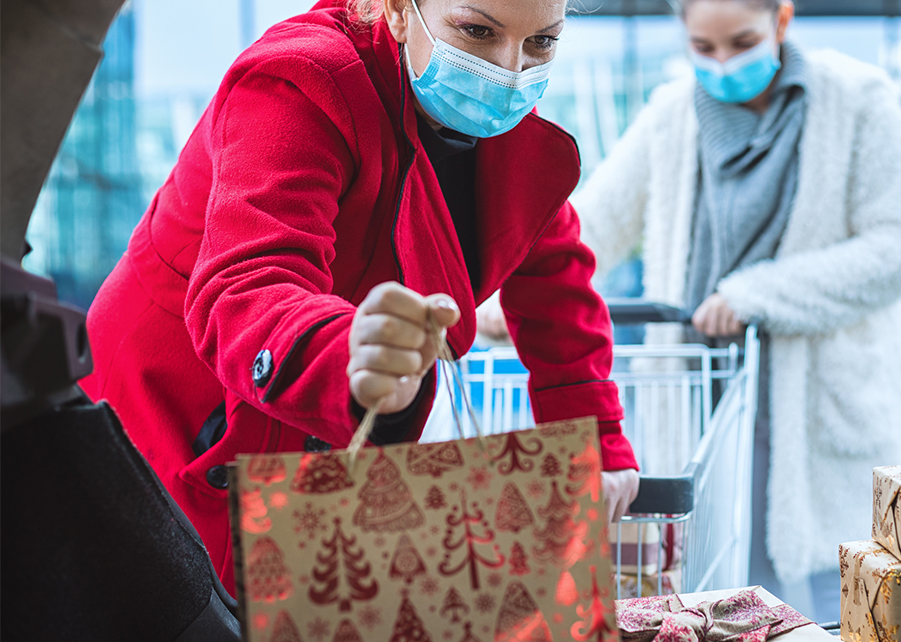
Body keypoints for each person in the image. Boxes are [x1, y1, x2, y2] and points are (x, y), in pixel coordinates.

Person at [79, 0, 640, 595]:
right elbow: (249, 285)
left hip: (323, 454)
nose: (509, 71)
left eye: (542, 44)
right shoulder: (299, 81)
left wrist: (597, 440)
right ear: (399, 11)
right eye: (477, 32)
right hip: (174, 426)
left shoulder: (501, 127)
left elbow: (557, 285)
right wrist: (349, 352)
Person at [480, 0, 901, 611]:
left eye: (741, 42)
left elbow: (900, 249)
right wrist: (506, 295)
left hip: (817, 402)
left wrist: (755, 294)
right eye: (704, 47)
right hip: (702, 393)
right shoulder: (673, 111)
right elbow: (595, 221)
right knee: (711, 587)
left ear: (782, 20)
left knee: (836, 596)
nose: (722, 62)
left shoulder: (857, 101)